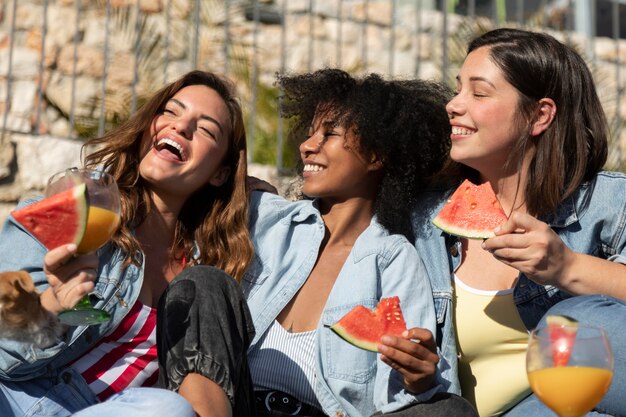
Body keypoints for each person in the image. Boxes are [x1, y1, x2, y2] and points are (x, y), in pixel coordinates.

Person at [0, 70, 256, 417]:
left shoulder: (206, 278)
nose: (180, 127)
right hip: (16, 398)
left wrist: (258, 190)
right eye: (170, 112)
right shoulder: (65, 214)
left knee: (169, 408)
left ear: (220, 173)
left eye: (207, 129)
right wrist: (52, 306)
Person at [412, 28, 626, 417]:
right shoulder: (423, 218)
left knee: (583, 323)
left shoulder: (611, 204)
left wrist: (569, 268)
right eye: (457, 89)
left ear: (539, 115)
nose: (453, 105)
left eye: (478, 93)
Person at [243, 68, 478, 417]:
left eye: (330, 133)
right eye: (309, 134)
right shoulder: (267, 221)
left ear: (375, 155)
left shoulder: (394, 260)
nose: (307, 146)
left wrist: (417, 381)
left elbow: (395, 393)